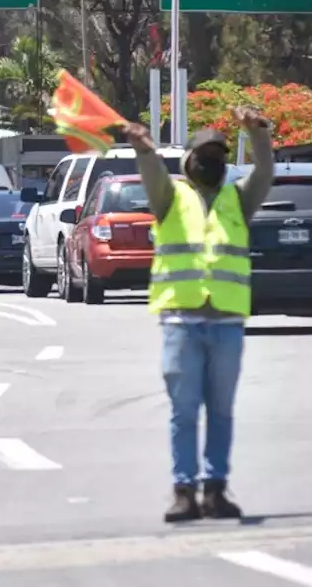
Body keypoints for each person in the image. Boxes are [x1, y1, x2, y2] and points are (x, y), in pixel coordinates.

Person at [123, 107, 274, 523]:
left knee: (221, 411)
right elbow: (151, 171)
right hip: (181, 322)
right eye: (205, 154)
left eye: (220, 155)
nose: (213, 161)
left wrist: (257, 133)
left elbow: (265, 170)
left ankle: (216, 490)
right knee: (184, 411)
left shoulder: (239, 200)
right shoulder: (170, 197)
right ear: (188, 160)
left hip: (226, 323)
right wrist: (144, 152)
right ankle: (184, 490)